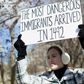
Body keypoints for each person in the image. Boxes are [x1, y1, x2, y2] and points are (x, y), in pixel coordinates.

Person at [14, 25, 84, 84]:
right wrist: (21, 55)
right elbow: (23, 80)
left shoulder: (77, 75)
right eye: (48, 57)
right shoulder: (43, 79)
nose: (50, 59)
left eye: (54, 56)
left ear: (63, 57)